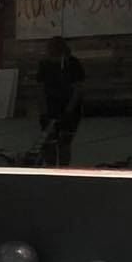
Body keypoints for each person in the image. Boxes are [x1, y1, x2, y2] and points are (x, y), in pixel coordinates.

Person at [36, 36, 85, 168]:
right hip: (51, 107)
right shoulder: (44, 64)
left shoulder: (72, 64)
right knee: (49, 142)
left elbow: (77, 89)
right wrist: (43, 112)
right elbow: (40, 89)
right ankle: (51, 169)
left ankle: (63, 169)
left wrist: (69, 110)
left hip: (68, 108)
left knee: (64, 142)